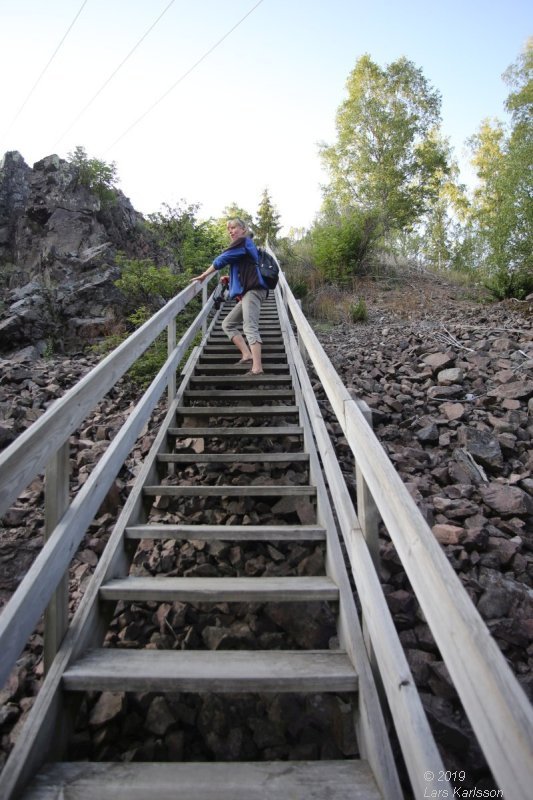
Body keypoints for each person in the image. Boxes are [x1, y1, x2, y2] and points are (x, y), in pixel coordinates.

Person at [190, 218, 268, 376]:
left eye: (234, 227)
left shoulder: (242, 241)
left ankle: (257, 368)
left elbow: (222, 259)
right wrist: (229, 279)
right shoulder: (245, 245)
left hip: (253, 290)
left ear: (243, 229)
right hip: (249, 291)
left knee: (250, 326)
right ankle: (247, 355)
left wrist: (204, 275)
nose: (231, 231)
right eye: (229, 229)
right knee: (228, 324)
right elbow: (244, 270)